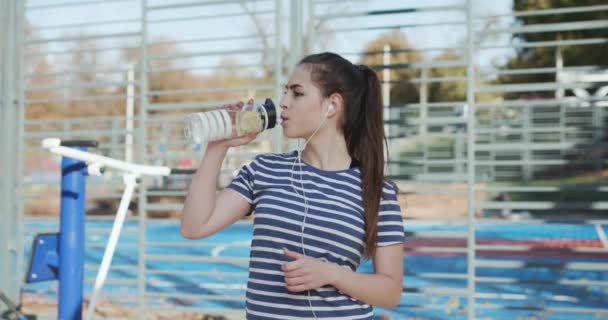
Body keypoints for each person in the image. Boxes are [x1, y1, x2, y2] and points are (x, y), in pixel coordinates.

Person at [181, 52, 405, 319]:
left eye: (297, 94)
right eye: (285, 92)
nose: (283, 103)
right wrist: (218, 146)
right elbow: (194, 227)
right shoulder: (264, 169)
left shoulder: (377, 192)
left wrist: (331, 273)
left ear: (332, 105)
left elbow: (390, 292)